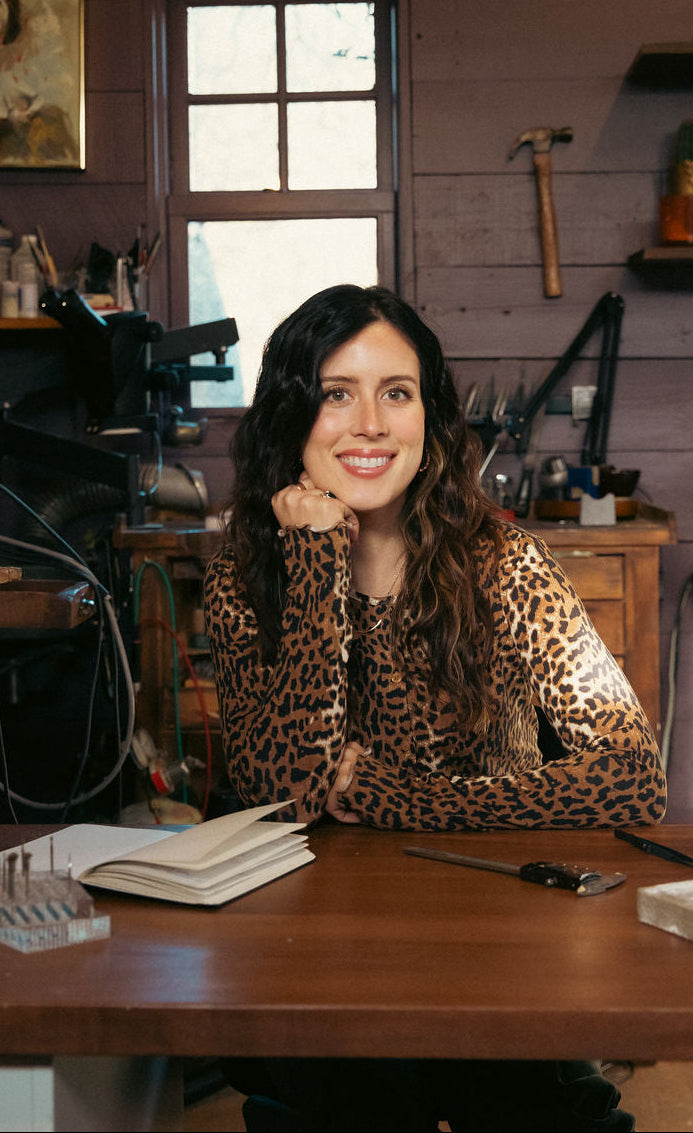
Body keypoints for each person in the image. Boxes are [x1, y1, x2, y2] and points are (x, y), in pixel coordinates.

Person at [203, 284, 667, 1132]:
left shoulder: (504, 563)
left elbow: (634, 778)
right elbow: (284, 793)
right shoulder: (247, 573)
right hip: (323, 948)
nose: (371, 424)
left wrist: (404, 797)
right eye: (337, 393)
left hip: (500, 935)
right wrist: (315, 560)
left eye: (398, 393)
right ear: (293, 415)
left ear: (430, 415)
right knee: (355, 1101)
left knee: (532, 1107)